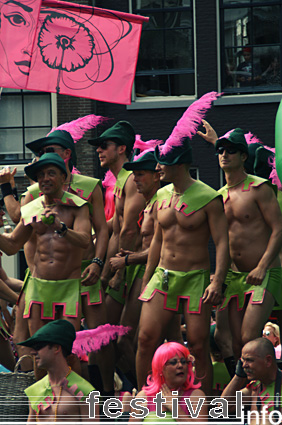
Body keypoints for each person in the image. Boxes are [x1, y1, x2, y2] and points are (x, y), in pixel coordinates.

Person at [136, 136, 230, 395]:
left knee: (199, 346)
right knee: (145, 340)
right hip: (162, 277)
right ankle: (146, 400)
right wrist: (146, 280)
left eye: (163, 163)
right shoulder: (162, 194)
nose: (158, 168)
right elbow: (157, 240)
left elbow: (222, 242)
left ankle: (204, 406)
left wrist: (217, 281)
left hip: (194, 279)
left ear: (179, 164)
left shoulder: (209, 197)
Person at [198, 123, 282, 362]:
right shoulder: (218, 195)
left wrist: (262, 266)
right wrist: (218, 276)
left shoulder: (259, 188)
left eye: (231, 150)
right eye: (221, 150)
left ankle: (271, 385)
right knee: (233, 343)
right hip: (234, 278)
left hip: (264, 273)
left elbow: (278, 229)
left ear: (244, 156)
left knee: (248, 337)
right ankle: (247, 393)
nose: (224, 155)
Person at [0, 153, 91, 336]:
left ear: (63, 177)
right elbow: (11, 246)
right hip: (38, 289)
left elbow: (85, 240)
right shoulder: (31, 209)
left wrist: (62, 228)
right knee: (39, 351)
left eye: (51, 173)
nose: (45, 179)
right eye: (40, 175)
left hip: (68, 288)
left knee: (68, 350)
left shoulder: (78, 206)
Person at [18, 319, 99, 422]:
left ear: (56, 348)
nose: (33, 352)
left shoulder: (86, 392)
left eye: (38, 347)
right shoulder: (35, 390)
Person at [130, 342, 208, 423]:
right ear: (161, 368)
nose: (180, 365)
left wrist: (174, 407)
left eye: (183, 361)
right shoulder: (143, 398)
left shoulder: (196, 396)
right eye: (173, 362)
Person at [221, 337, 281, 422]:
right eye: (243, 361)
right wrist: (238, 377)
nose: (244, 365)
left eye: (249, 360)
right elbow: (223, 407)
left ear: (268, 360)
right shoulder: (256, 386)